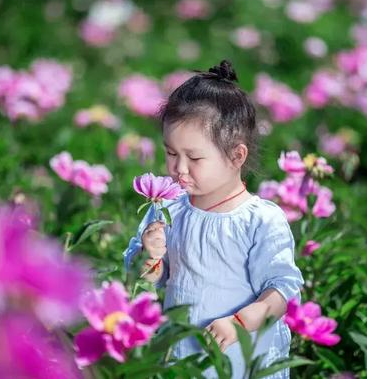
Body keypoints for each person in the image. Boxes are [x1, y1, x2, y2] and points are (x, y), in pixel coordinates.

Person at [123, 60, 304, 379]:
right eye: (170, 153)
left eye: (194, 157)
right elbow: (150, 281)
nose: (179, 168)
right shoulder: (169, 208)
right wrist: (150, 257)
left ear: (236, 156)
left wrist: (242, 321)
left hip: (242, 361)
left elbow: (281, 291)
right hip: (182, 357)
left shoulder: (260, 220)